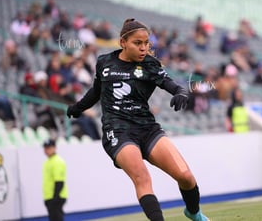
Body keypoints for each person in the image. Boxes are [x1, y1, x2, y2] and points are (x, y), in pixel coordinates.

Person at [66, 18, 209, 221]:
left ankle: (194, 213)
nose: (143, 48)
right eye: (137, 43)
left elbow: (175, 86)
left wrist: (181, 94)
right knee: (142, 177)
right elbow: (96, 92)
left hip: (147, 128)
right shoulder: (104, 63)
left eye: (146, 43)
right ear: (123, 42)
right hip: (118, 130)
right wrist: (78, 108)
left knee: (186, 177)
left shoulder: (150, 65)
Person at [42, 139, 68, 221]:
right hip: (50, 197)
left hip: (56, 196)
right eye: (45, 148)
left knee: (56, 218)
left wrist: (55, 198)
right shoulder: (48, 162)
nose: (46, 150)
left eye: (48, 147)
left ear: (54, 148)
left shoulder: (57, 161)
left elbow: (59, 182)